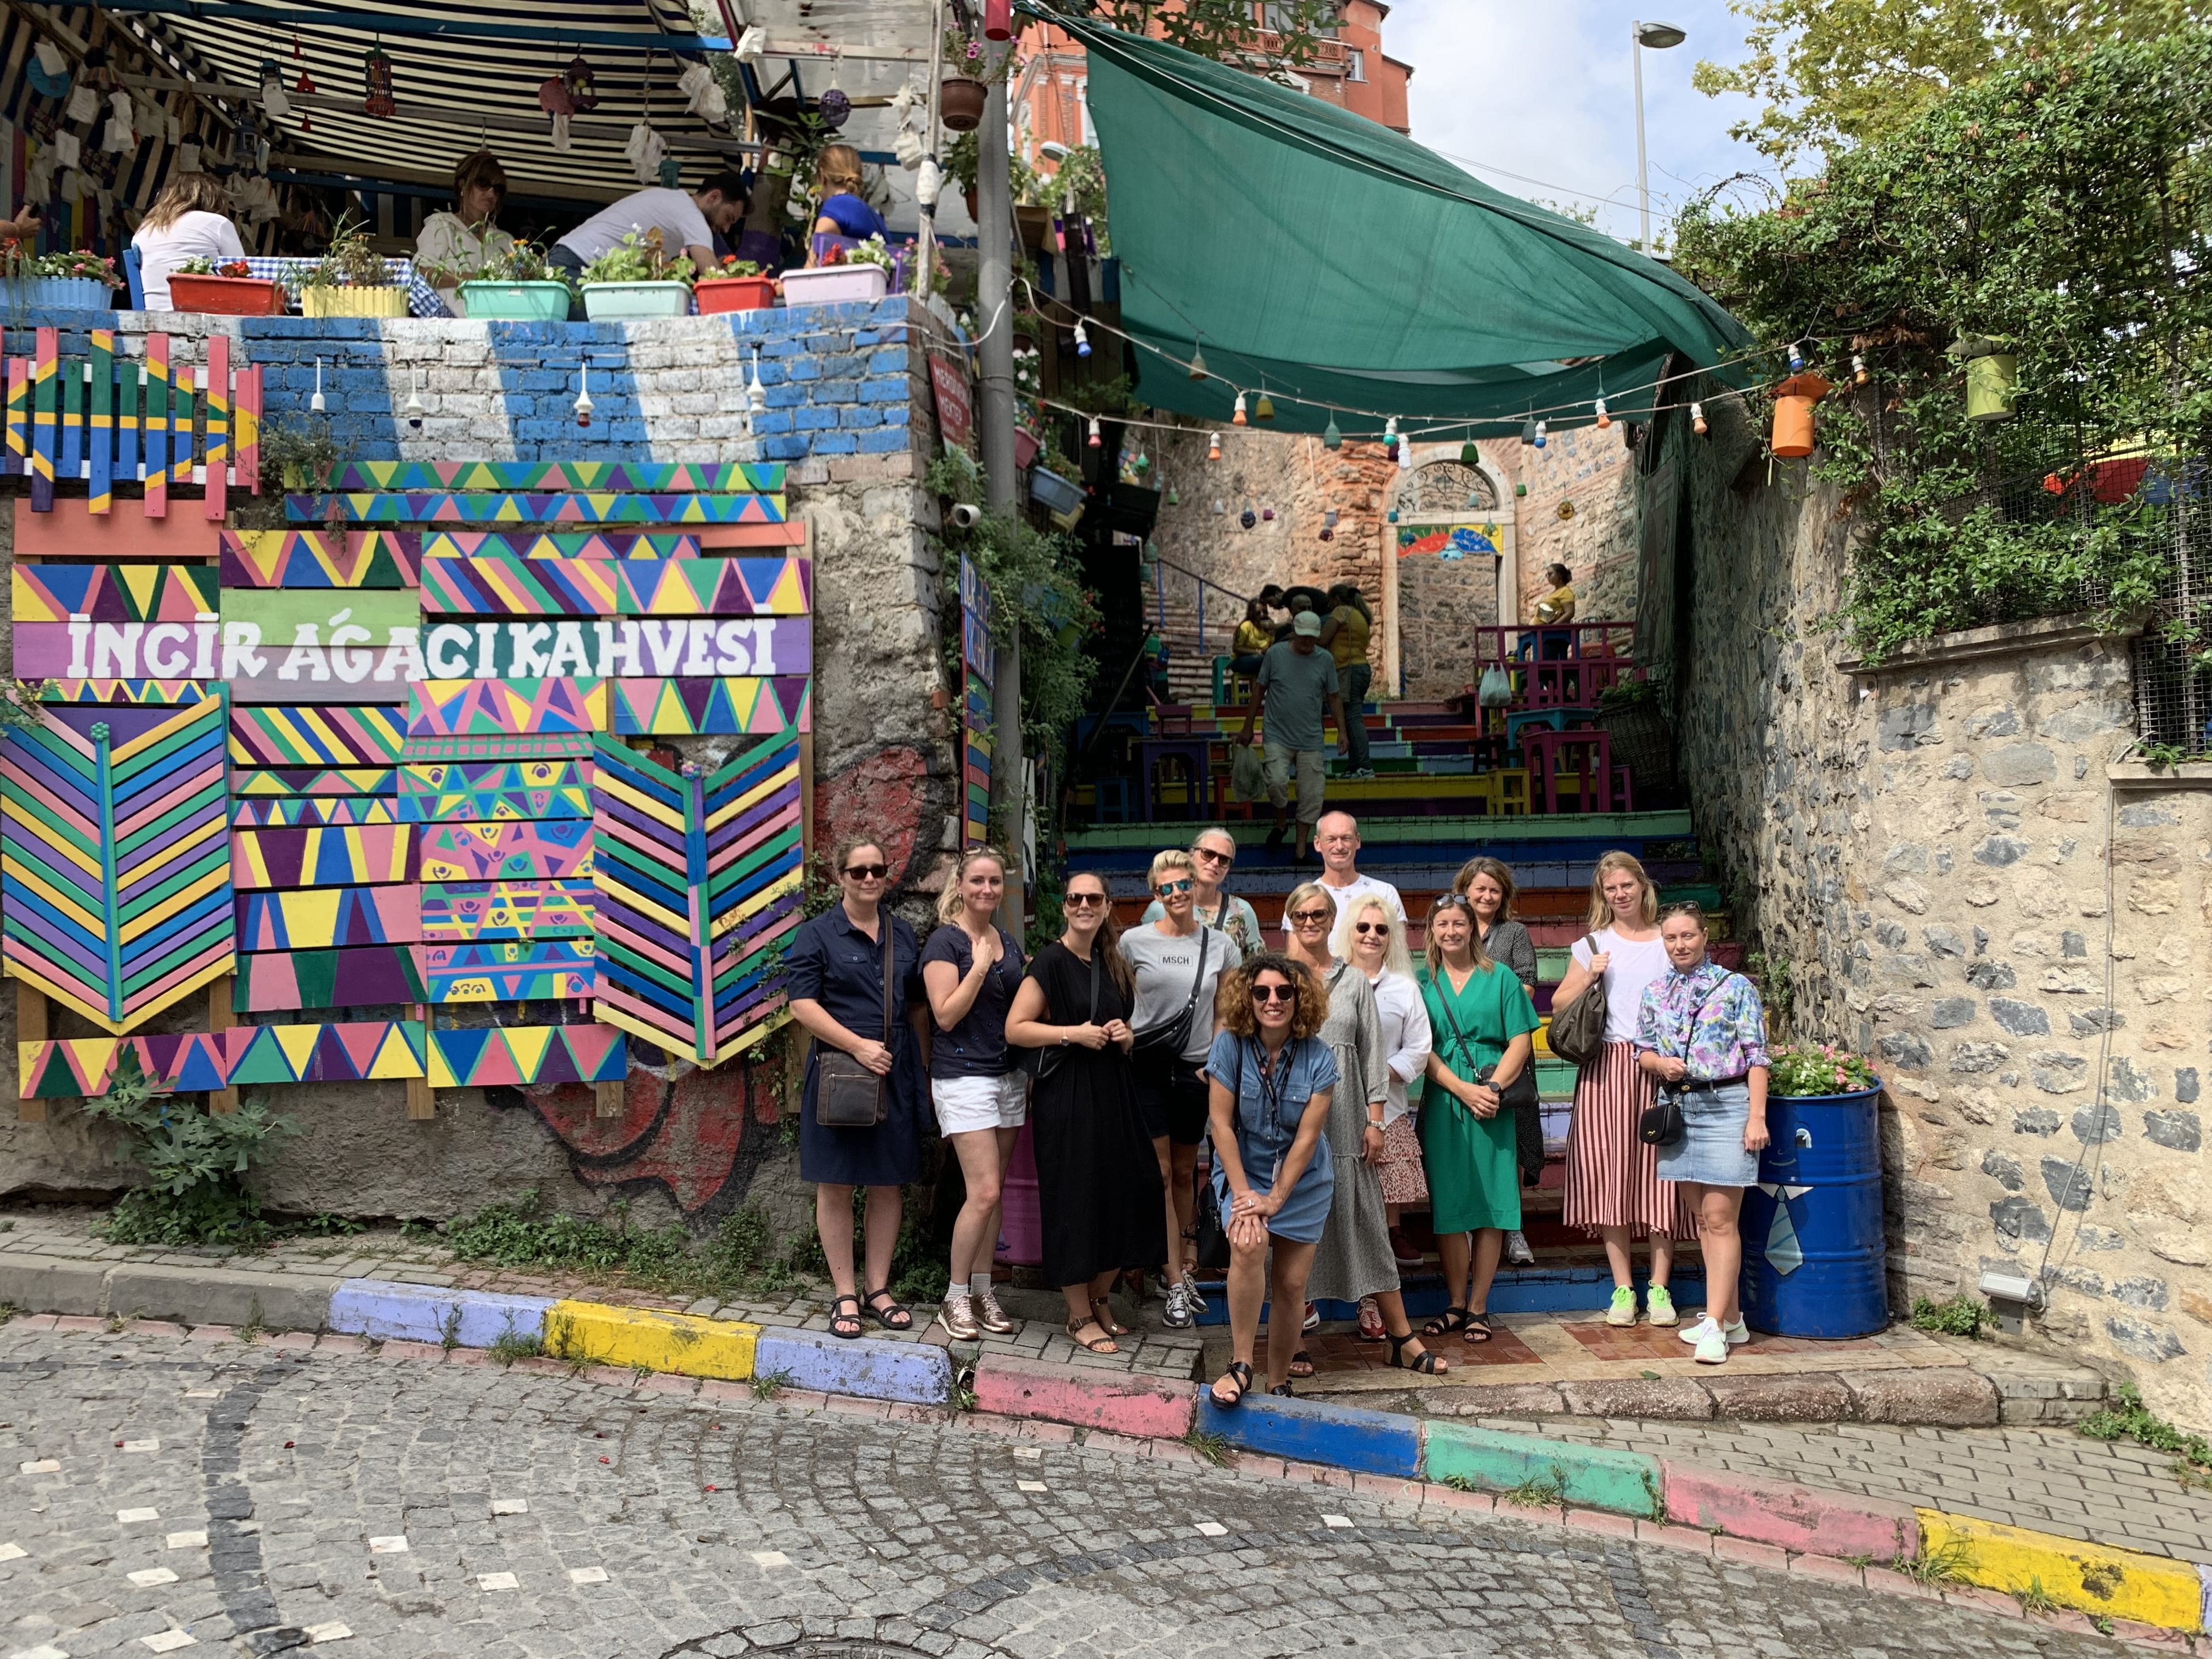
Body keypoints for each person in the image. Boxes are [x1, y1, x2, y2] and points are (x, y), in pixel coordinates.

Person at [1285, 887, 1445, 1375]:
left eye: (1319, 914)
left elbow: (1374, 1053)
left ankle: (1402, 1338)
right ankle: (1290, 1341)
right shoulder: (1279, 978)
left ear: (1331, 919)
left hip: (1350, 1118)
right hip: (1293, 1124)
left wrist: (1376, 1120)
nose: (1310, 921)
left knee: (1370, 1225)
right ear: (1291, 920)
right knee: (1296, 1231)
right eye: (1301, 915)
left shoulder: (1354, 981)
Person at [1005, 871, 1162, 1355]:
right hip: (1069, 1095)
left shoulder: (1109, 961)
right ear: (1065, 906)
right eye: (1076, 898)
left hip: (1113, 1091)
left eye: (1094, 898)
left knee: (1132, 1189)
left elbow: (1128, 1025)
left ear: (1108, 906)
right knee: (1075, 1198)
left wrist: (1125, 1036)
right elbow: (1016, 1029)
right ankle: (1078, 1316)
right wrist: (1074, 1033)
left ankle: (1099, 1297)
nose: (1084, 905)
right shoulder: (1050, 962)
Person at [786, 839, 930, 1341]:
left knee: (888, 1182)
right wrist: (858, 1046)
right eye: (858, 871)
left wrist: (924, 1070)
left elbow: (916, 1008)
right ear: (840, 876)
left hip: (894, 1072)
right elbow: (802, 1006)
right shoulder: (816, 935)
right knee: (837, 1183)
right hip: (839, 1076)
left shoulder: (904, 935)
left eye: (877, 870)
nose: (869, 878)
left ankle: (878, 1289)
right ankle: (845, 1293)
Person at [1552, 850, 1690, 1328]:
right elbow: (1559, 1001)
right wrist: (1591, 973)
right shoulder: (1592, 944)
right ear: (1602, 894)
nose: (1620, 894)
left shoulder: (1667, 940)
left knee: (1659, 1176)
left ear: (1642, 886)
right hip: (1607, 1066)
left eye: (1626, 885)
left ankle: (1660, 1286)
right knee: (1612, 1174)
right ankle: (1623, 1288)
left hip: (1657, 1066)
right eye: (1611, 889)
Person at [1635, 903, 1770, 1365]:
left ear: (1705, 935)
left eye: (1688, 936)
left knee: (1720, 1218)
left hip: (1727, 1104)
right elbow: (1643, 1052)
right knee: (1702, 1220)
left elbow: (1757, 1056)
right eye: (1672, 938)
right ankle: (1731, 1318)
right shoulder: (1655, 991)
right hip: (1678, 1106)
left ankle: (1713, 1323)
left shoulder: (1736, 987)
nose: (1680, 945)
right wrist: (1660, 1065)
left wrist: (1757, 1118)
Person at [1203, 954, 1339, 1406]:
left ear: (1300, 998)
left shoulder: (1321, 1058)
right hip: (1245, 1169)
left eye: (1284, 992)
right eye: (1262, 992)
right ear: (1249, 997)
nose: (1273, 1000)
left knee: (1292, 1284)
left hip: (1303, 1182)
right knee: (1246, 1243)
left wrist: (1277, 1199)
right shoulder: (1230, 1047)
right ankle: (1242, 1365)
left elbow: (1308, 1138)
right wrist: (1245, 1196)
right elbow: (1220, 1126)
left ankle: (1277, 1380)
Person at [1120, 849, 1242, 1329]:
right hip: (1146, 1066)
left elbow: (1227, 1011)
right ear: (1155, 894)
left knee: (1189, 1169)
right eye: (1165, 888)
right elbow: (1120, 997)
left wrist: (1215, 1061)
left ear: (1196, 886)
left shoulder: (1221, 945)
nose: (1176, 894)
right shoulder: (1133, 942)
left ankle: (1183, 1255)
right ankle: (1173, 1279)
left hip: (1195, 1069)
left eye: (1183, 885)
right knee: (1162, 1170)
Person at [1418, 893, 1539, 1346]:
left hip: (1493, 1101)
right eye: (1441, 924)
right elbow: (1421, 1049)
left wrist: (1490, 1090)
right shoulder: (1423, 982)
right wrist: (1462, 1089)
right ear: (1432, 930)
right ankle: (1454, 1302)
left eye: (1458, 923)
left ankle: (1479, 1306)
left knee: (1491, 1204)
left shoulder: (1501, 977)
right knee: (1450, 1204)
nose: (1450, 931)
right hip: (1447, 1097)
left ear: (1473, 928)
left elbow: (1521, 1042)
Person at [919, 848, 1028, 1341]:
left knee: (995, 1190)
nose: (987, 890)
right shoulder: (946, 942)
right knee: (982, 1191)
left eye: (994, 882)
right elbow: (943, 1015)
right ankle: (955, 1296)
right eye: (978, 882)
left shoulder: (1007, 941)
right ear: (960, 885)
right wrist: (979, 967)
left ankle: (983, 1290)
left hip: (1007, 1076)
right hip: (963, 1077)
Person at [1340, 894, 1434, 1271]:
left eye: (1382, 929)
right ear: (1350, 931)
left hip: (1388, 1102)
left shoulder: (1404, 988)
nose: (1372, 935)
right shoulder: (1332, 982)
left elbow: (1419, 1046)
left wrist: (1379, 1075)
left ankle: (1391, 1232)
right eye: (1363, 927)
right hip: (1337, 1101)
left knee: (1387, 1179)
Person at [1455, 856, 1541, 1265]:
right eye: (1479, 889)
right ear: (1465, 891)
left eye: (1494, 890)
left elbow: (1526, 986)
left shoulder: (1514, 933)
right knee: (1469, 1145)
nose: (1486, 896)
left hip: (1510, 1048)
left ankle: (1512, 1227)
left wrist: (1488, 1004)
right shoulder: (1454, 929)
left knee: (1515, 1141)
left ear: (1503, 894)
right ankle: (1473, 1224)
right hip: (1466, 1053)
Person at [1239, 613, 1349, 862]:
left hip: (1310, 738)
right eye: (1304, 637)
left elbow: (1333, 697)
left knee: (1311, 796)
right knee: (1276, 782)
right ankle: (1281, 822)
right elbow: (1259, 690)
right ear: (1295, 633)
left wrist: (1342, 731)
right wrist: (1248, 727)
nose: (1308, 642)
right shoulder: (1276, 655)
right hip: (1277, 733)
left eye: (1313, 637)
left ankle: (1300, 851)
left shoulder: (1325, 660)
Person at [550, 170, 748, 282]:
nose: (726, 229)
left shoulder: (674, 203)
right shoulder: (690, 214)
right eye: (728, 217)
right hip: (575, 265)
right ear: (714, 198)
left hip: (573, 261)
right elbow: (714, 279)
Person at [415, 150, 516, 315]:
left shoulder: (505, 241)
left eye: (497, 189)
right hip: (452, 332)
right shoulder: (442, 226)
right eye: (483, 183)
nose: (491, 194)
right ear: (462, 185)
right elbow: (419, 273)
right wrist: (473, 279)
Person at [1139, 827, 1262, 957]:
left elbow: (1258, 966)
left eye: (1224, 860)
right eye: (1208, 854)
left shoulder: (1242, 911)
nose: (1215, 863)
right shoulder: (1161, 908)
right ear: (1191, 855)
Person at [131, 173, 246, 311]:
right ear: (213, 198)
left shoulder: (144, 230)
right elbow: (241, 275)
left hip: (152, 315)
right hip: (206, 317)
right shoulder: (217, 223)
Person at [1318, 584, 1375, 778]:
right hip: (1360, 669)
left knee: (1352, 718)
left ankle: (1365, 766)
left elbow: (1323, 640)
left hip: (1347, 670)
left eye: (1330, 602)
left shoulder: (1341, 612)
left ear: (1336, 600)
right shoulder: (1360, 616)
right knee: (1351, 718)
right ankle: (1354, 766)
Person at [804, 143, 889, 265]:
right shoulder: (873, 215)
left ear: (822, 176)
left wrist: (782, 284)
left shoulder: (835, 206)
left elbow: (813, 266)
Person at [1313, 811, 1404, 924]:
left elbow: (1398, 941)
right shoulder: (1304, 900)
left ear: (1358, 841)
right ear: (1317, 843)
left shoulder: (1385, 894)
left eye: (1346, 838)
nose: (1339, 846)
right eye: (1331, 839)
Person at [1532, 562, 1577, 661]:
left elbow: (1570, 613)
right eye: (1547, 575)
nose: (1547, 577)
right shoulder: (1554, 593)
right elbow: (1554, 613)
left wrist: (1554, 626)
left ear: (1559, 576)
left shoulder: (1565, 591)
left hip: (1554, 635)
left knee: (1549, 664)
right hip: (1545, 634)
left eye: (1550, 574)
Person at [1229, 599, 1272, 680]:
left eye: (1264, 612)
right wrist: (1258, 652)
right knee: (1263, 661)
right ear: (1253, 614)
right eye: (1258, 613)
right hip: (1241, 661)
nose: (1262, 615)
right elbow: (1236, 648)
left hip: (1263, 660)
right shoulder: (1246, 626)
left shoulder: (1269, 628)